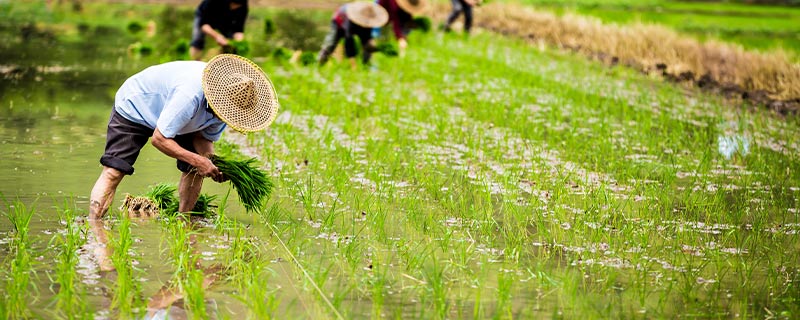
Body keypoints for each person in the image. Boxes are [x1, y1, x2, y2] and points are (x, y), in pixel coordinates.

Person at [89, 54, 278, 221]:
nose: (225, 117)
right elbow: (159, 139)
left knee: (195, 170)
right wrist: (197, 160)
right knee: (114, 171)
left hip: (178, 117)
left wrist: (211, 162)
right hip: (136, 106)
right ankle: (94, 227)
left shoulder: (228, 108)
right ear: (216, 98)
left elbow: (203, 139)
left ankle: (184, 222)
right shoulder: (190, 94)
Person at [318, 2, 389, 69]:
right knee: (331, 43)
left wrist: (373, 47)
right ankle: (320, 63)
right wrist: (353, 65)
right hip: (339, 21)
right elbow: (348, 41)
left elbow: (367, 39)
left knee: (367, 44)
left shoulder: (369, 23)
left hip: (355, 24)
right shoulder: (350, 20)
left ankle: (366, 65)